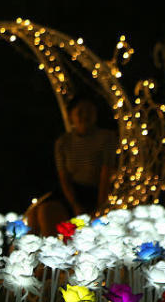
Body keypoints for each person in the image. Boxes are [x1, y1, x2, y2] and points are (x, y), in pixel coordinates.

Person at [29, 96, 118, 235]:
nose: (85, 116)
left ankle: (51, 249)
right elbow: (63, 177)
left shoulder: (106, 137)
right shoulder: (63, 142)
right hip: (70, 191)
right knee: (34, 213)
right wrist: (74, 204)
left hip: (91, 191)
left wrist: (101, 207)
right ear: (71, 116)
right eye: (80, 112)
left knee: (47, 211)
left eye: (89, 111)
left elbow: (106, 173)